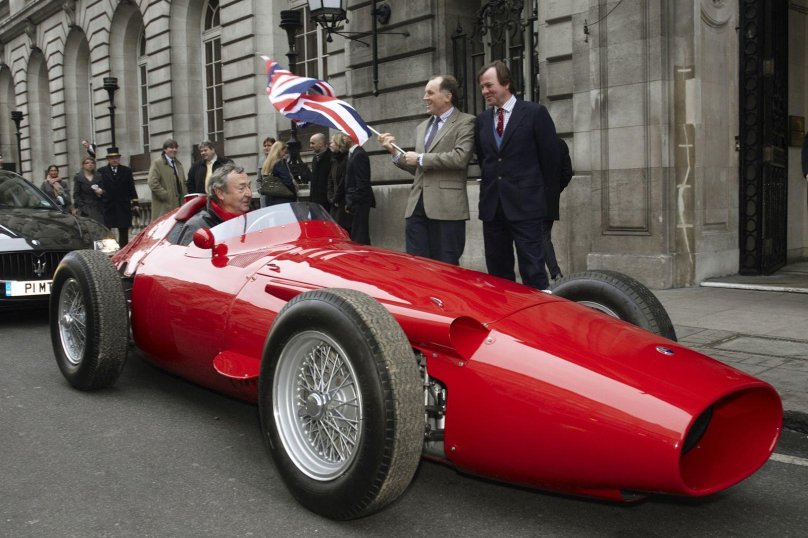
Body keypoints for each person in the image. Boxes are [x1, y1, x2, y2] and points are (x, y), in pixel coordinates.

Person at [474, 60, 560, 290]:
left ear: (506, 83)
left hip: (527, 209)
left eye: (489, 85)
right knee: (498, 276)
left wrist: (542, 201)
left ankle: (539, 321)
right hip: (493, 210)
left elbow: (553, 161)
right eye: (482, 87)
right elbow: (486, 160)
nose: (484, 91)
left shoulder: (534, 113)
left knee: (533, 273)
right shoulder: (481, 121)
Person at [378, 75, 475, 265]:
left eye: (430, 93)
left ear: (448, 96)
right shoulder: (422, 127)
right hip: (416, 209)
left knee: (447, 267)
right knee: (417, 267)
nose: (425, 98)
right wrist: (394, 152)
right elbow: (420, 170)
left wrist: (421, 158)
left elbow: (460, 158)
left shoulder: (466, 122)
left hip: (447, 209)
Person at [177, 163, 252, 246]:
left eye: (249, 187)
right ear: (220, 193)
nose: (249, 193)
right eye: (241, 188)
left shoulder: (256, 219)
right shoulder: (197, 228)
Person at [542, 137, 573, 281]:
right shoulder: (560, 143)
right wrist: (554, 192)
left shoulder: (531, 140)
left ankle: (554, 273)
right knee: (542, 237)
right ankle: (552, 274)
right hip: (550, 200)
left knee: (539, 238)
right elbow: (567, 173)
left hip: (530, 198)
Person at [98, 147, 139, 246]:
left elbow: (131, 187)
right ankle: (108, 251)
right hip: (108, 206)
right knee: (106, 230)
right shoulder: (101, 171)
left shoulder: (126, 171)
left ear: (119, 158)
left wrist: (135, 203)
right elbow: (99, 188)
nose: (114, 160)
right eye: (112, 158)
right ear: (108, 159)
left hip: (123, 205)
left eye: (116, 157)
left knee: (124, 231)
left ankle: (123, 252)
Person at [344, 136, 374, 245]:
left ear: (351, 138)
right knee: (357, 234)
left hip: (359, 202)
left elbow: (362, 182)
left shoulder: (359, 154)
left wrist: (352, 201)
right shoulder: (353, 154)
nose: (343, 139)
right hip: (355, 201)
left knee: (360, 236)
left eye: (344, 136)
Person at [148, 138, 186, 219]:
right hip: (164, 206)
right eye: (171, 147)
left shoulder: (178, 164)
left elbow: (183, 183)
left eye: (176, 148)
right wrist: (166, 195)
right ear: (165, 149)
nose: (174, 150)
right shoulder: (157, 163)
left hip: (179, 205)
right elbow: (152, 183)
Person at [327, 133, 352, 233]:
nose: (330, 144)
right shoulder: (334, 160)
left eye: (333, 142)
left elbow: (343, 182)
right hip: (334, 201)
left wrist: (335, 199)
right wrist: (330, 197)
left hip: (343, 202)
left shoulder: (346, 160)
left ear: (339, 144)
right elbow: (330, 180)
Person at [261, 140, 297, 206]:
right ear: (280, 150)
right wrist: (294, 191)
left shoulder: (267, 163)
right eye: (284, 152)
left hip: (270, 199)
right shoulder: (280, 163)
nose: (284, 154)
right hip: (282, 200)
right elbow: (288, 181)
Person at [72, 156, 104, 222]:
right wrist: (82, 206)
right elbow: (76, 194)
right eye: (87, 163)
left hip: (97, 207)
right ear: (83, 165)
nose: (90, 164)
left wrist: (101, 192)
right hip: (84, 208)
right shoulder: (78, 177)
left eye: (92, 163)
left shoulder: (99, 176)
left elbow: (104, 190)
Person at [308, 133, 332, 211]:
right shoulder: (314, 159)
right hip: (315, 203)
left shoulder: (332, 158)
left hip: (327, 203)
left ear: (321, 144)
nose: (310, 146)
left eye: (312, 143)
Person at [255, 136, 276, 204]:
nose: (266, 148)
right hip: (264, 196)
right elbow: (258, 179)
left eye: (269, 145)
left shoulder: (278, 160)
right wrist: (260, 191)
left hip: (276, 195)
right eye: (265, 146)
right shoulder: (261, 160)